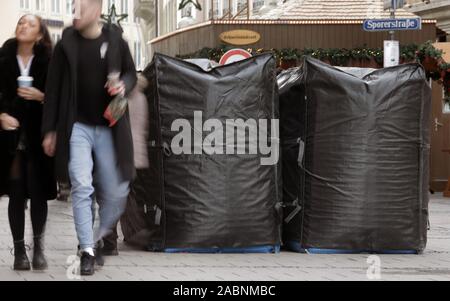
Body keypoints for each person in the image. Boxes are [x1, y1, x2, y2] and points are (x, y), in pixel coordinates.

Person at [41, 0, 137, 276]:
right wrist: (50, 130)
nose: (75, 13)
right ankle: (87, 249)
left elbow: (131, 73)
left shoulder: (115, 39)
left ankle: (97, 236)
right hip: (78, 128)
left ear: (95, 10)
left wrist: (123, 85)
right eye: (73, 8)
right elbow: (53, 88)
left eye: (80, 8)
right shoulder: (66, 44)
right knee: (82, 186)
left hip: (110, 127)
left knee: (116, 191)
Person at [0, 14, 56, 271]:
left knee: (38, 192)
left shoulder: (48, 61)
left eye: (30, 24)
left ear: (40, 34)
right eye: (21, 22)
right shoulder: (3, 58)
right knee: (16, 192)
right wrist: (1, 114)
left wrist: (40, 96)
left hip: (38, 135)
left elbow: (57, 97)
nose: (24, 26)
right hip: (10, 137)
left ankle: (39, 248)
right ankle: (19, 251)